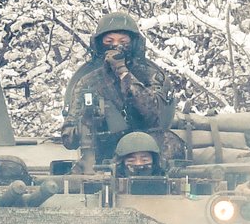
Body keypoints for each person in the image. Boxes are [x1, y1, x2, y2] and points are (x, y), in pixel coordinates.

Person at [60, 12, 173, 166]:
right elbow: (69, 139)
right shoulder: (88, 82)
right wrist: (87, 123)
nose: (116, 46)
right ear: (100, 44)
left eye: (123, 41)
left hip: (150, 159)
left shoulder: (150, 76)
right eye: (109, 41)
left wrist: (123, 73)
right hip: (105, 160)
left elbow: (153, 115)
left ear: (133, 43)